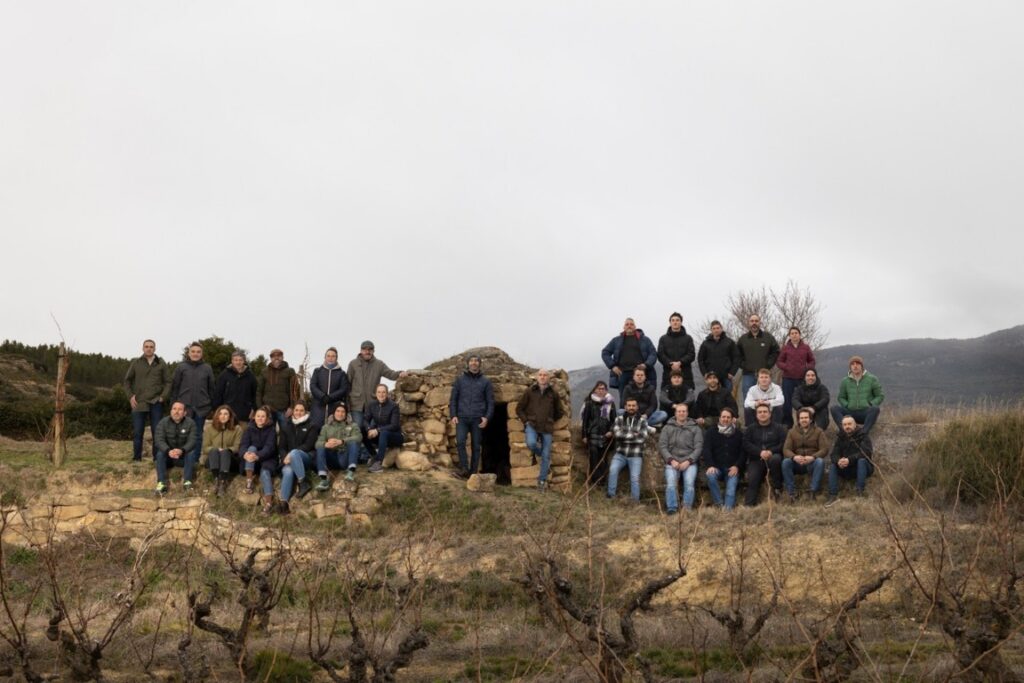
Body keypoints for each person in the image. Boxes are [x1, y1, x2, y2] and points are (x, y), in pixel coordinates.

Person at [124, 339, 172, 462]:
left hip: (156, 402)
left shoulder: (161, 363)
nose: (149, 348)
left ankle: (157, 459)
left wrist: (163, 396)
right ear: (142, 348)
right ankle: (137, 458)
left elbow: (168, 382)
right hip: (139, 402)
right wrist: (130, 396)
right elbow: (127, 381)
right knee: (138, 432)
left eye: (151, 347)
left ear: (155, 349)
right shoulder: (136, 363)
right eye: (146, 346)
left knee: (157, 432)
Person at [516, 369, 564, 492]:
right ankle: (545, 461)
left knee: (546, 455)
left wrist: (550, 419)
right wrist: (526, 421)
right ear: (537, 377)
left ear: (548, 378)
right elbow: (519, 408)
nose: (542, 377)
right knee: (531, 443)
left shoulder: (553, 393)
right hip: (532, 425)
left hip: (547, 428)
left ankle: (541, 482)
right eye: (540, 375)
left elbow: (560, 411)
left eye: (545, 375)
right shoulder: (530, 391)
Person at [449, 355, 495, 479]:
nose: (474, 363)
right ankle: (464, 468)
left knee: (476, 446)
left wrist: (487, 417)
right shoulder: (460, 380)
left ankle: (473, 473)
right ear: (468, 363)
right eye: (471, 361)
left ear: (479, 364)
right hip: (462, 417)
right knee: (460, 442)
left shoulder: (485, 381)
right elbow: (453, 399)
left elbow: (490, 402)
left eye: (476, 361)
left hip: (477, 418)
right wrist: (453, 414)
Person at [170, 342, 215, 465]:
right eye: (193, 351)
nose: (195, 354)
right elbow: (175, 387)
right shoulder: (181, 367)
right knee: (182, 434)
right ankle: (181, 459)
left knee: (198, 434)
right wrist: (173, 405)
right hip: (184, 408)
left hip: (201, 407)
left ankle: (194, 459)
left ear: (202, 354)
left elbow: (211, 388)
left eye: (198, 352)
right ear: (188, 353)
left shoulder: (207, 368)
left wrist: (211, 406)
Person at [658, 403, 704, 514]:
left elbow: (699, 447)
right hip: (672, 461)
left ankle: (686, 508)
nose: (681, 413)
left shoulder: (695, 428)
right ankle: (672, 508)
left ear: (687, 413)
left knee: (689, 483)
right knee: (671, 484)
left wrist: (689, 461)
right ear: (675, 413)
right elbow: (662, 446)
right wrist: (671, 460)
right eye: (679, 411)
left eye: (684, 411)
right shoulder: (667, 427)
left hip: (689, 462)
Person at [607, 398, 655, 502]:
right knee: (613, 470)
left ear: (637, 407)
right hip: (620, 454)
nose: (631, 408)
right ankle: (611, 496)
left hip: (636, 455)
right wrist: (634, 435)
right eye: (629, 405)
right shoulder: (618, 419)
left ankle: (635, 501)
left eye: (633, 405)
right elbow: (617, 435)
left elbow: (643, 437)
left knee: (634, 478)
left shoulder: (642, 421)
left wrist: (625, 436)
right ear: (625, 407)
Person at [278, 401, 321, 513]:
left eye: (301, 410)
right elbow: (281, 447)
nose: (298, 412)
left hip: (306, 457)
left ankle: (303, 483)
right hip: (289, 459)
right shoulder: (286, 426)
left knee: (294, 453)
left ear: (306, 411)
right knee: (287, 471)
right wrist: (284, 457)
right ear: (293, 411)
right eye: (296, 410)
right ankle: (283, 504)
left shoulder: (312, 425)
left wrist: (291, 454)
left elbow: (309, 445)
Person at [601, 318, 658, 400]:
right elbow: (605, 352)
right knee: (624, 400)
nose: (629, 326)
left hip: (640, 374)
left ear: (635, 326)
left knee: (643, 399)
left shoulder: (645, 340)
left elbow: (653, 354)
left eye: (631, 324)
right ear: (623, 327)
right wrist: (613, 366)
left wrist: (646, 365)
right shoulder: (616, 340)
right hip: (623, 374)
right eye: (627, 324)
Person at [742, 404, 787, 506]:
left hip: (774, 458)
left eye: (765, 411)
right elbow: (746, 443)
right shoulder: (750, 429)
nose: (762, 414)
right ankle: (749, 506)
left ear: (770, 414)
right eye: (760, 412)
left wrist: (771, 451)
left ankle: (777, 489)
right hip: (756, 459)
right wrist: (759, 452)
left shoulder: (779, 428)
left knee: (776, 459)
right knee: (753, 480)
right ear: (756, 415)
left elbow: (783, 443)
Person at [825, 415, 875, 507]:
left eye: (849, 424)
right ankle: (832, 495)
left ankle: (859, 492)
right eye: (845, 425)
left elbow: (866, 453)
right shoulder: (841, 437)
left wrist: (849, 460)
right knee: (833, 465)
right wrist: (838, 461)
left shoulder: (863, 435)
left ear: (855, 424)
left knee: (862, 461)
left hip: (862, 467)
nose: (847, 426)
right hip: (846, 467)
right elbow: (833, 454)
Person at [701, 406, 744, 509]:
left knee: (731, 488)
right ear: (719, 418)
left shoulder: (738, 434)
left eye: (728, 417)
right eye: (723, 417)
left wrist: (737, 466)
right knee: (711, 477)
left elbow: (743, 452)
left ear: (733, 419)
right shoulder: (711, 432)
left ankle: (727, 511)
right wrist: (710, 465)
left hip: (732, 468)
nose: (725, 419)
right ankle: (719, 504)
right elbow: (706, 450)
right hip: (716, 467)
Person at [781, 408, 828, 502]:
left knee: (820, 461)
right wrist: (794, 457)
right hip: (797, 463)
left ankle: (813, 492)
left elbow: (824, 449)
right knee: (786, 462)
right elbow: (786, 449)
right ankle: (792, 493)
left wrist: (813, 457)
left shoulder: (818, 431)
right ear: (798, 420)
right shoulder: (792, 432)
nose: (804, 420)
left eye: (806, 417)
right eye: (801, 418)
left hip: (811, 463)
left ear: (810, 419)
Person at [830, 356, 884, 435]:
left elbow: (880, 396)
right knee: (834, 408)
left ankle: (863, 432)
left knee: (875, 409)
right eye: (852, 364)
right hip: (850, 413)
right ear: (850, 367)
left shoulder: (872, 379)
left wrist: (871, 404)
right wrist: (847, 404)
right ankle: (844, 431)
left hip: (865, 413)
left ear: (862, 366)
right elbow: (841, 397)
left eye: (858, 364)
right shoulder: (845, 381)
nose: (855, 366)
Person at [240, 406, 279, 513]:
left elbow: (270, 447)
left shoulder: (271, 430)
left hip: (268, 458)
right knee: (251, 448)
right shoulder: (249, 429)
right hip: (252, 461)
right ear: (254, 417)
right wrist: (245, 454)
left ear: (267, 418)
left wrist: (258, 455)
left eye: (263, 416)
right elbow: (243, 445)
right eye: (258, 416)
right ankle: (249, 482)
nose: (260, 418)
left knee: (265, 473)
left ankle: (268, 503)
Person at [314, 403, 363, 490]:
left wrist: (342, 441)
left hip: (344, 458)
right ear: (333, 413)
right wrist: (326, 444)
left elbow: (359, 437)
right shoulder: (326, 427)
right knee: (320, 446)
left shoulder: (352, 425)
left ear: (346, 413)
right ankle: (323, 480)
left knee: (353, 442)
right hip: (331, 458)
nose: (340, 414)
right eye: (338, 411)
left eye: (343, 412)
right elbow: (317, 443)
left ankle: (351, 472)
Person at [154, 401, 198, 495]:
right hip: (168, 457)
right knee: (160, 453)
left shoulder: (191, 423)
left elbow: (193, 440)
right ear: (170, 411)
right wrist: (168, 451)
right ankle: (161, 483)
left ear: (185, 413)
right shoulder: (163, 422)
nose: (176, 411)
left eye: (180, 409)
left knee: (191, 453)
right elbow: (159, 439)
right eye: (174, 409)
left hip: (182, 457)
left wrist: (182, 450)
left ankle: (187, 482)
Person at [775, 327, 815, 428]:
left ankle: (803, 423)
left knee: (803, 400)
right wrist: (786, 367)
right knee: (787, 402)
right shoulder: (785, 348)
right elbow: (779, 361)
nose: (794, 335)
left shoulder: (806, 347)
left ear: (799, 334)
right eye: (792, 333)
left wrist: (806, 369)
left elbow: (812, 361)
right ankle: (787, 424)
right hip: (788, 378)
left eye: (796, 333)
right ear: (789, 335)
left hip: (802, 379)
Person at [580, 380, 616, 487]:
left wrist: (611, 430)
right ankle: (595, 481)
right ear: (595, 390)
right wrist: (584, 435)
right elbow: (585, 420)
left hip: (606, 435)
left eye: (603, 389)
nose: (601, 391)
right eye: (599, 388)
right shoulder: (589, 403)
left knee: (603, 459)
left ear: (606, 390)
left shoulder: (610, 403)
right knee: (593, 458)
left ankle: (602, 482)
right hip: (593, 434)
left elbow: (614, 420)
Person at [202, 405, 242, 497]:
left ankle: (222, 483)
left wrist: (226, 450)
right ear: (217, 415)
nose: (223, 416)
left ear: (230, 416)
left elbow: (237, 447)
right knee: (214, 450)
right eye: (220, 414)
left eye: (226, 414)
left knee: (225, 452)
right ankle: (217, 480)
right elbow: (205, 447)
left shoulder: (237, 429)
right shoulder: (209, 428)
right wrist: (216, 449)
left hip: (230, 460)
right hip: (213, 459)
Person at [363, 384, 404, 473]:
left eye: (383, 392)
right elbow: (365, 419)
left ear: (387, 393)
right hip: (381, 436)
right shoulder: (372, 405)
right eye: (379, 392)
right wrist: (369, 429)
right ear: (376, 393)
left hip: (395, 436)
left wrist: (377, 430)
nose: (381, 394)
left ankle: (378, 463)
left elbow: (394, 425)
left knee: (384, 432)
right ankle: (374, 456)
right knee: (362, 431)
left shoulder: (393, 406)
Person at [737, 315, 780, 397]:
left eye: (756, 321)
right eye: (752, 321)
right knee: (748, 400)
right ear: (749, 323)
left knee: (766, 399)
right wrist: (744, 365)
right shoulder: (743, 339)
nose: (754, 323)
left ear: (760, 322)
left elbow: (776, 351)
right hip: (748, 375)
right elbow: (737, 355)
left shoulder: (768, 337)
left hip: (764, 375)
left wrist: (768, 365)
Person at [212, 351, 257, 429]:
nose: (238, 362)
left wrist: (254, 409)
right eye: (236, 360)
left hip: (244, 414)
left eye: (240, 360)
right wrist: (217, 410)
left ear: (244, 361)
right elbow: (218, 393)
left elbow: (255, 394)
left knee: (243, 438)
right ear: (232, 361)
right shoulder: (224, 375)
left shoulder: (250, 376)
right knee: (228, 437)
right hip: (228, 414)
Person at [257, 349, 300, 431]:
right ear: (271, 358)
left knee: (286, 433)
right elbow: (259, 391)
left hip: (284, 410)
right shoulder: (264, 372)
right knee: (268, 434)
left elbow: (295, 390)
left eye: (279, 356)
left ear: (282, 357)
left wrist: (292, 407)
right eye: (273, 356)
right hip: (267, 410)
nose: (276, 358)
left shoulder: (290, 371)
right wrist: (260, 408)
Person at [309, 347, 349, 427]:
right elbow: (313, 385)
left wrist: (330, 397)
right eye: (328, 356)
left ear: (336, 358)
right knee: (316, 428)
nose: (330, 358)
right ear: (325, 357)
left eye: (333, 356)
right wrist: (322, 396)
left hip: (334, 406)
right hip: (318, 405)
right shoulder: (318, 371)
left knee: (332, 430)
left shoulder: (341, 373)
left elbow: (343, 389)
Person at [657, 312, 696, 392]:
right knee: (668, 400)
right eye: (673, 320)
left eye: (677, 320)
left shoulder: (688, 338)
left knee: (688, 399)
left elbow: (691, 354)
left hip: (685, 374)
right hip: (668, 374)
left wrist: (680, 363)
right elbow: (660, 354)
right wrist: (670, 363)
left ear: (681, 322)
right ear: (670, 322)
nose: (675, 322)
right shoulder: (663, 339)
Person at [697, 321, 739, 392]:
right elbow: (700, 359)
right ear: (711, 330)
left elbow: (736, 358)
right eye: (714, 328)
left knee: (727, 398)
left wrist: (732, 372)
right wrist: (705, 373)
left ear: (721, 329)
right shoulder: (705, 344)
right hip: (711, 377)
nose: (716, 330)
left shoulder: (729, 342)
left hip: (726, 376)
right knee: (712, 398)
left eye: (718, 328)